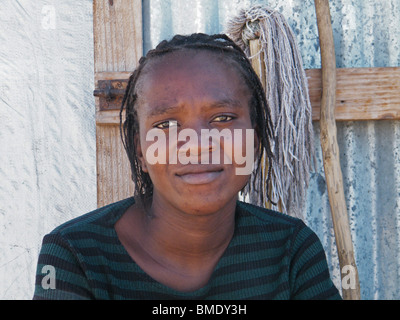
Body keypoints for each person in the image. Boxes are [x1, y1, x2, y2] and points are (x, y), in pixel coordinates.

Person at [33, 33, 341, 300]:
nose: (196, 143)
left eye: (222, 118)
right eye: (166, 124)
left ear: (255, 139)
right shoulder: (75, 255)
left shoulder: (291, 250)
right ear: (140, 149)